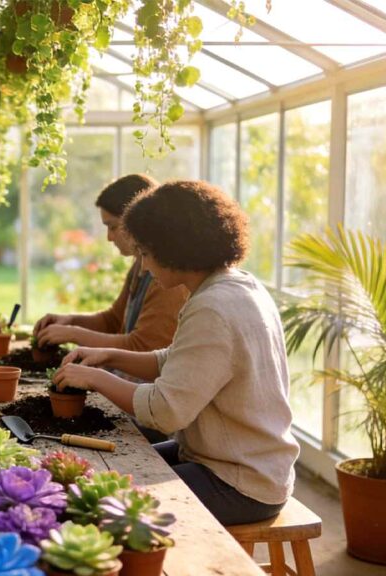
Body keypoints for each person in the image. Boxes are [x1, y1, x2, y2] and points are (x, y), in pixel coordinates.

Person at [51, 180, 298, 526]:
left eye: (146, 253)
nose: (145, 265)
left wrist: (95, 377)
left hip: (239, 483)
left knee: (99, 506)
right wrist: (108, 357)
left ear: (173, 248)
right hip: (239, 463)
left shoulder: (213, 307)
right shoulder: (237, 284)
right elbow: (177, 362)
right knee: (111, 465)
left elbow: (164, 412)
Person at [33, 174, 188, 351]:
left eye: (113, 227)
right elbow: (113, 320)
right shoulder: (140, 264)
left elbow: (143, 346)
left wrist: (74, 334)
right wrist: (70, 321)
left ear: (137, 221)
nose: (109, 237)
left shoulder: (167, 279)